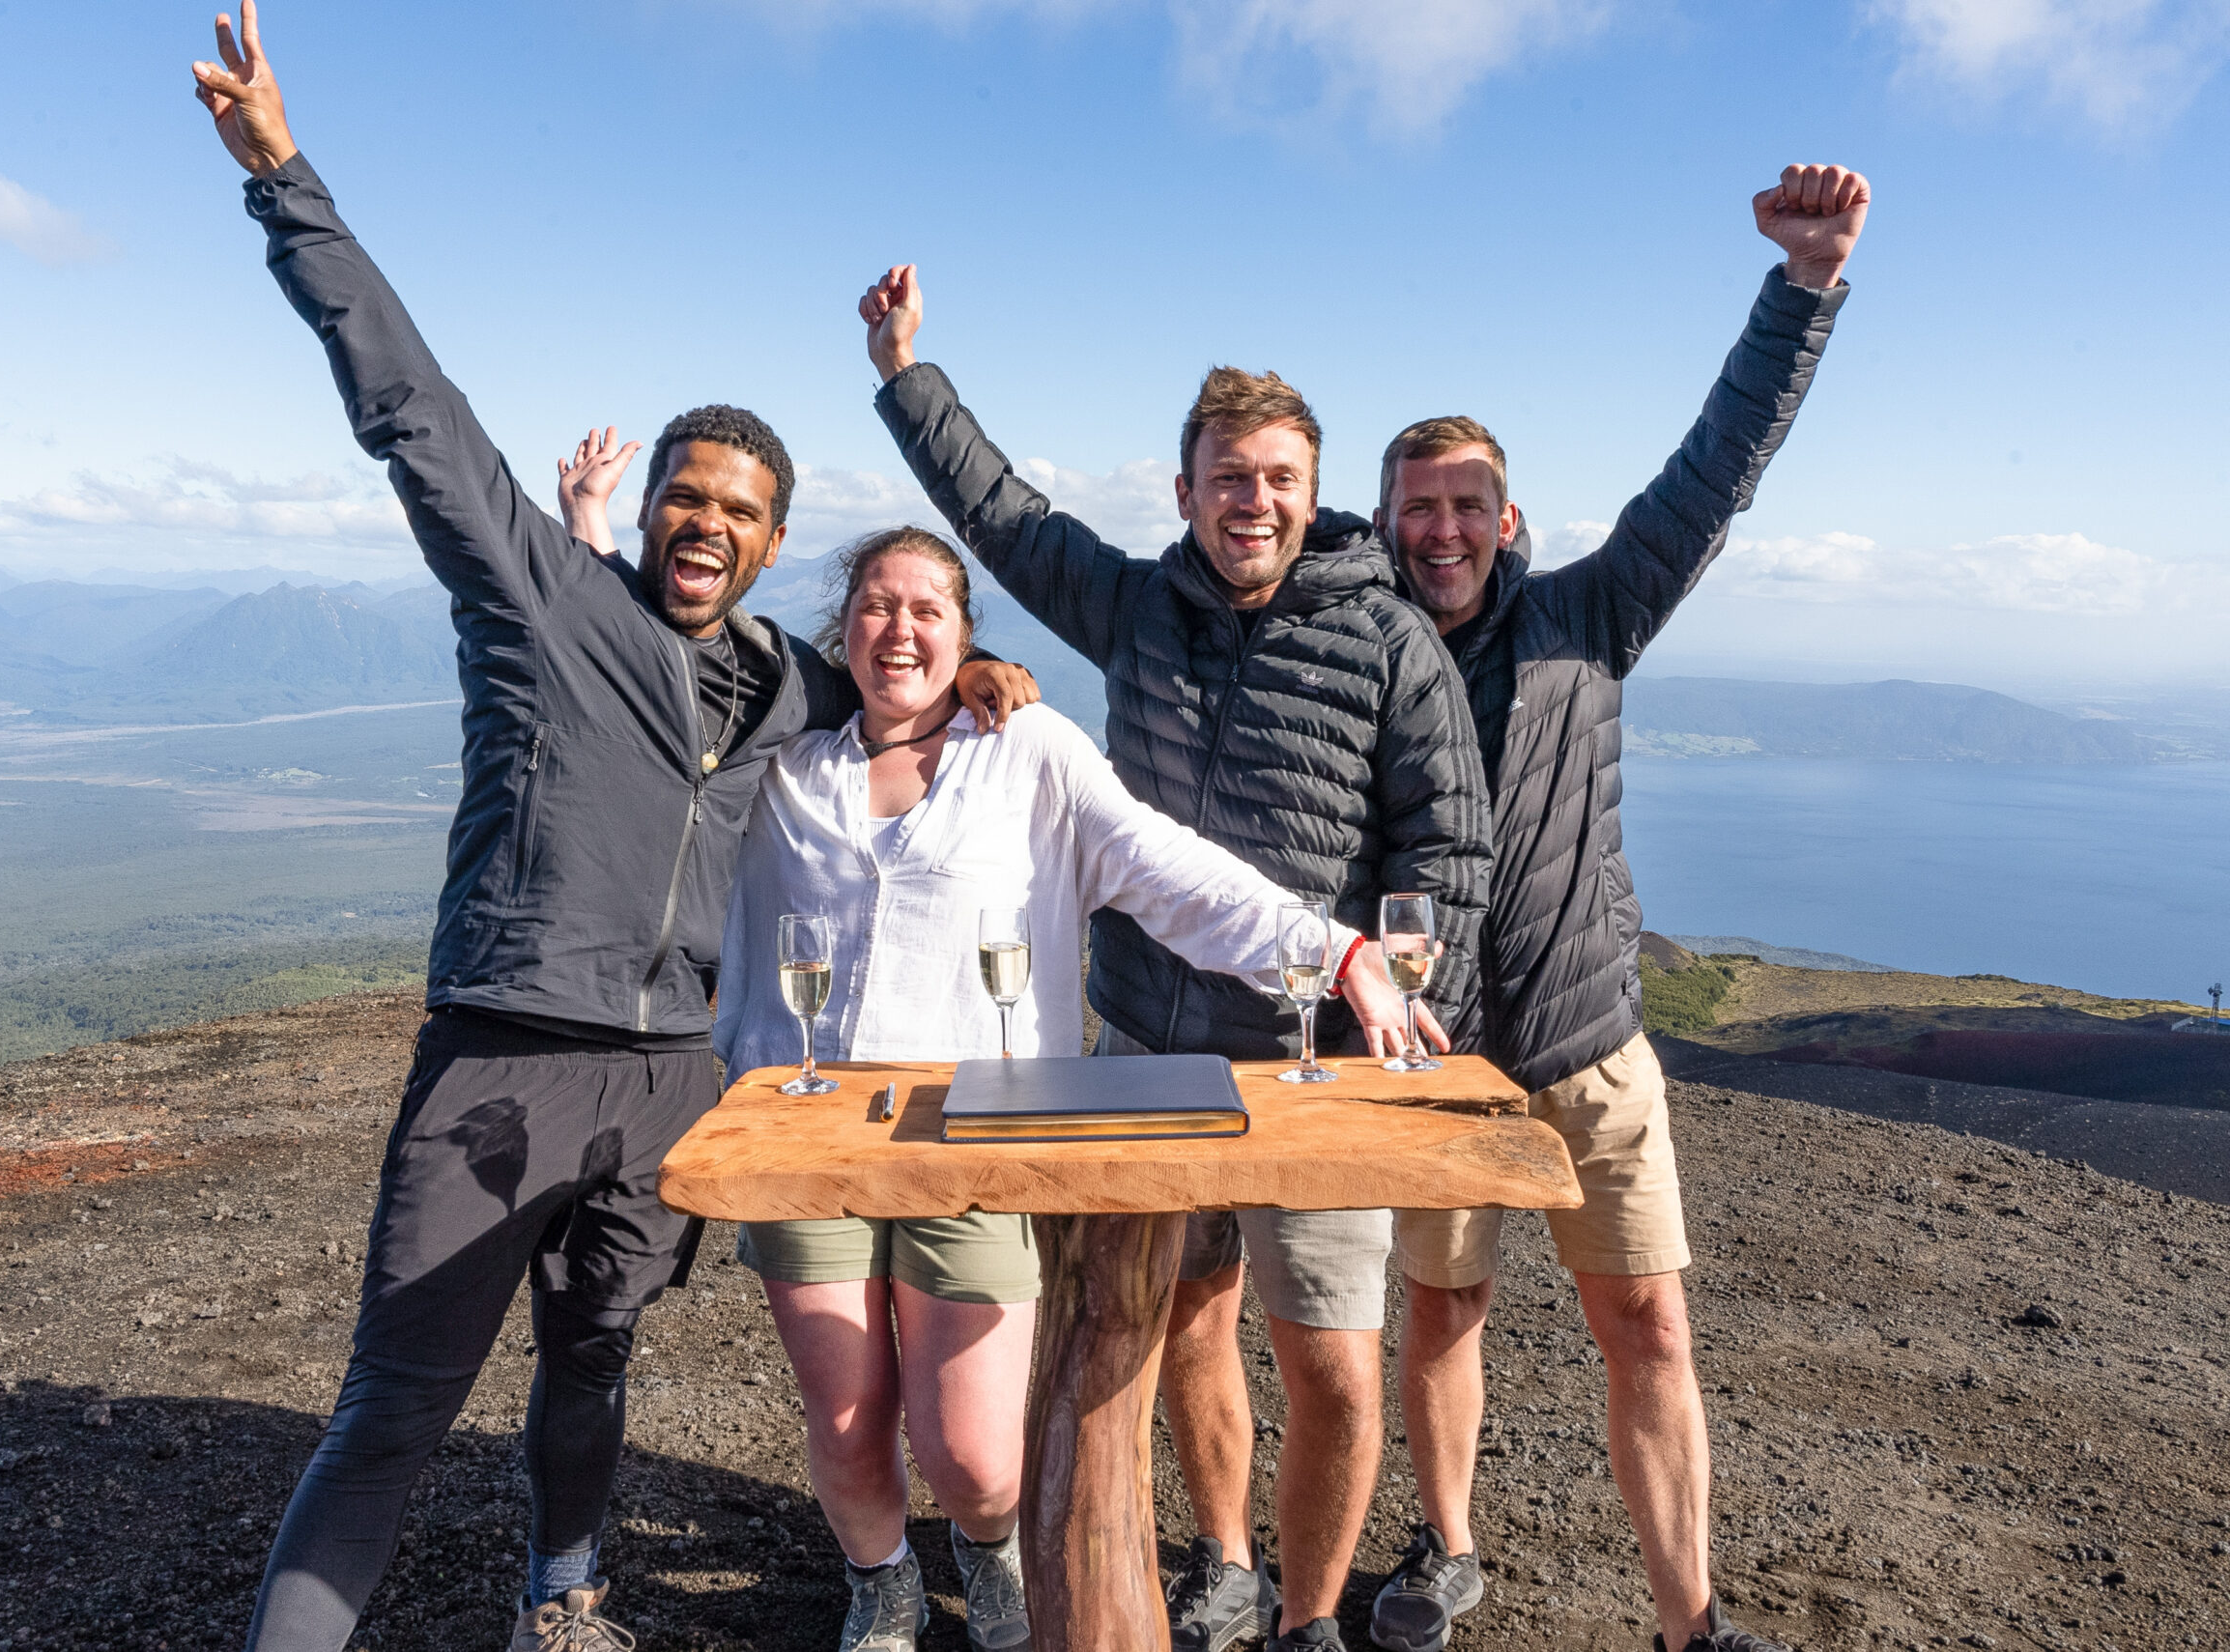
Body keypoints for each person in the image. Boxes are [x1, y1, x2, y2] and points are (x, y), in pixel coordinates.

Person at [185, 12, 1037, 1651]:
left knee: (598, 1355)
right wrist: (286, 179)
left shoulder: (790, 685)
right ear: (646, 508)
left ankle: (562, 1598)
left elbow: (890, 698)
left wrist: (982, 671)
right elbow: (411, 408)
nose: (704, 521)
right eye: (682, 495)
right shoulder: (540, 598)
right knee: (396, 1406)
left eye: (737, 509)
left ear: (771, 539)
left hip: (671, 1081)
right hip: (504, 1058)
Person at [858, 271, 1493, 1652]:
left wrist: (1405, 974)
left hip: (1314, 1061)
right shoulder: (1139, 604)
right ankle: (1220, 1556)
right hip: (1149, 1036)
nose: (1249, 500)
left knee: (1328, 1356)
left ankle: (1310, 1613)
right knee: (1184, 1317)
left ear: (1313, 491)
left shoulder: (1383, 635)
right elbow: (1005, 519)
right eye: (1225, 478)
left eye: (1275, 478)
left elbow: (1447, 834)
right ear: (1189, 488)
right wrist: (909, 375)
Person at [710, 527, 1417, 1652]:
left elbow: (1163, 866)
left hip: (975, 1137)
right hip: (813, 1142)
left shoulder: (1024, 750)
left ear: (965, 632)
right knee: (846, 1424)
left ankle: (984, 1548)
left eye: (927, 611)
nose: (900, 631)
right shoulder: (787, 762)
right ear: (840, 629)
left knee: (977, 1455)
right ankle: (880, 1580)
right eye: (876, 608)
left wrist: (1332, 951)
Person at [1363, 165, 1870, 1652]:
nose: (1443, 531)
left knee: (1649, 1324)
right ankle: (1447, 1546)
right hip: (1441, 1065)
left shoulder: (1591, 614)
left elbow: (1717, 470)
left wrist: (1807, 286)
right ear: (1388, 524)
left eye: (1466, 506)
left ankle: (1689, 1619)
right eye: (1419, 510)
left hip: (1590, 1046)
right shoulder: (1365, 654)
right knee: (1442, 1313)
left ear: (1507, 517)